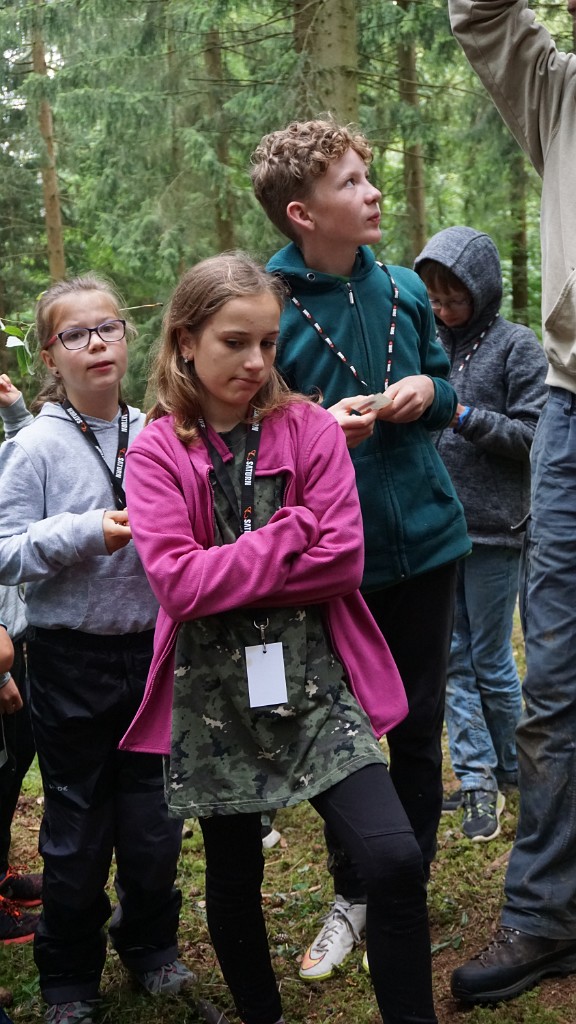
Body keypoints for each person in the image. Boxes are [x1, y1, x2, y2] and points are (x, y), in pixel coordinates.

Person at [119, 251, 440, 1024]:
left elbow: (343, 563)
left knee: (394, 858)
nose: (257, 362)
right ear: (186, 341)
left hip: (316, 682)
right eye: (235, 342)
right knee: (233, 873)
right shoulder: (159, 450)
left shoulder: (308, 429)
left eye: (267, 341)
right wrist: (291, 531)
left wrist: (229, 567)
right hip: (213, 695)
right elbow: (178, 587)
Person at [249, 118, 470, 979]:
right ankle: (355, 888)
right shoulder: (267, 305)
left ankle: (404, 885)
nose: (373, 192)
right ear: (303, 214)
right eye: (350, 182)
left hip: (432, 541)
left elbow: (443, 388)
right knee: (338, 735)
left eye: (369, 176)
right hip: (336, 562)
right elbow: (249, 430)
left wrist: (425, 390)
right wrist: (316, 431)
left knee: (419, 721)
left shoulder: (407, 289)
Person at [0, 277, 195, 1024]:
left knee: (154, 821)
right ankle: (68, 978)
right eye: (75, 335)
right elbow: (5, 551)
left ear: (127, 336)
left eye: (107, 328)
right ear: (51, 356)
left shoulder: (159, 431)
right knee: (77, 829)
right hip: (68, 661)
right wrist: (87, 532)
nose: (96, 344)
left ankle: (149, 945)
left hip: (154, 655)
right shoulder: (35, 447)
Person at [447, 0, 576, 1005]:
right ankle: (546, 910)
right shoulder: (561, 94)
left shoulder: (507, 349)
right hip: (575, 409)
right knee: (552, 677)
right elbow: (478, 10)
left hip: (512, 496)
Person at [414, 226, 547, 841]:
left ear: (483, 289)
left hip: (496, 531)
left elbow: (534, 436)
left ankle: (517, 767)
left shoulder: (518, 347)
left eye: (455, 299)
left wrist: (462, 414)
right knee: (453, 658)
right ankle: (476, 782)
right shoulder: (429, 345)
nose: (444, 311)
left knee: (489, 659)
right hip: (439, 530)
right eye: (435, 300)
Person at [0, 376, 43, 945]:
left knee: (16, 758)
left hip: (16, 642)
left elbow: (25, 463)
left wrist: (14, 410)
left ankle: (2, 874)